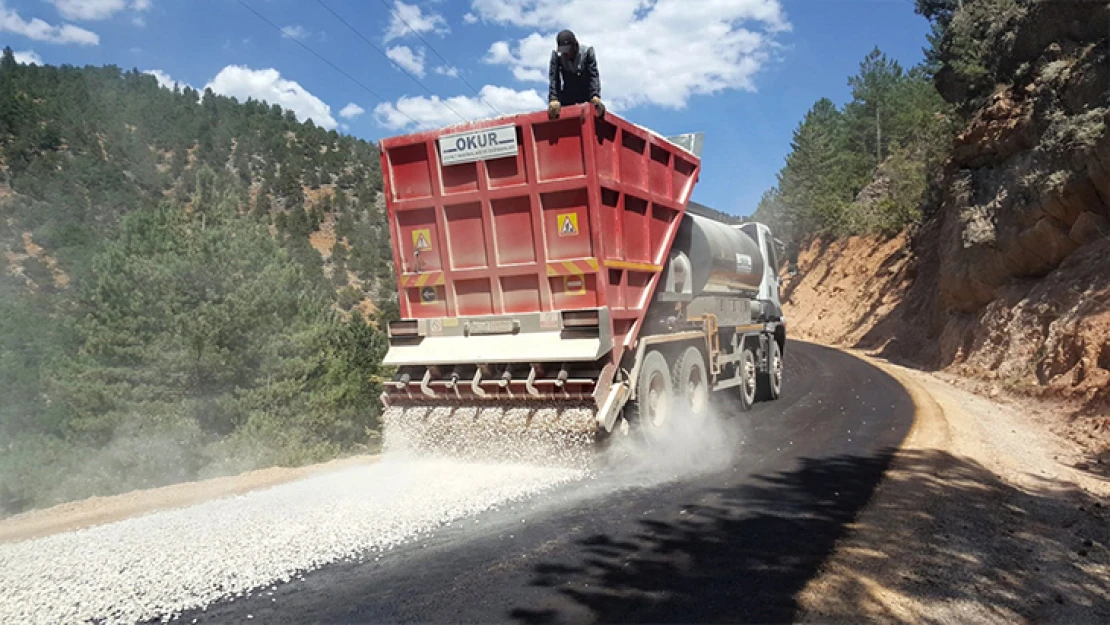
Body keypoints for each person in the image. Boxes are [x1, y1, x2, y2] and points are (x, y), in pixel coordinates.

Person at [547, 29, 605, 119]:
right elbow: (554, 78)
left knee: (594, 110)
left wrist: (595, 95)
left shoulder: (587, 52)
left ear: (575, 45)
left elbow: (593, 75)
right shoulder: (557, 56)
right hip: (568, 92)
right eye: (563, 51)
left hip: (585, 92)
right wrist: (553, 98)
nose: (566, 54)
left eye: (568, 50)